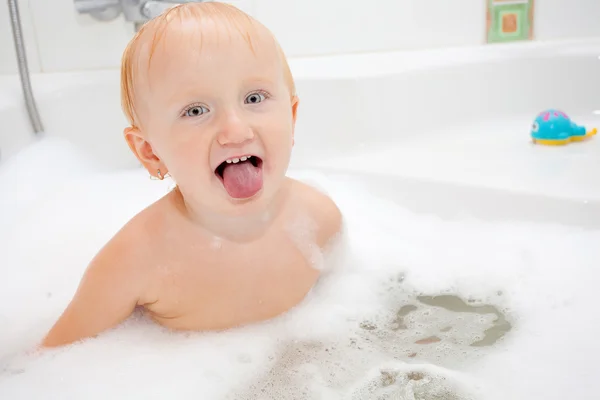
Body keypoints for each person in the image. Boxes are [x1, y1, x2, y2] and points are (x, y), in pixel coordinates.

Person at [41, 2, 342, 348]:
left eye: (254, 97)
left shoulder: (320, 220)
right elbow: (53, 359)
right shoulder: (135, 259)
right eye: (196, 110)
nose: (236, 130)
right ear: (149, 152)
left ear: (291, 117)